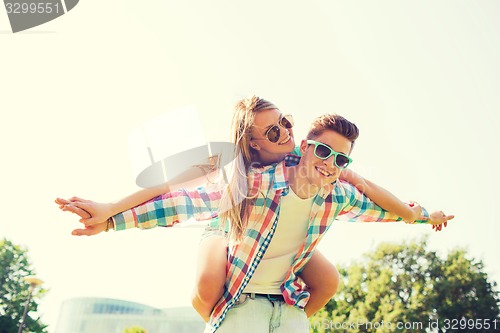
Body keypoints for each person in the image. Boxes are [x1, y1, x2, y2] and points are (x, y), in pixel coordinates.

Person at [58, 107, 453, 333]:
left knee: (328, 280)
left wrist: (421, 217)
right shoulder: (247, 179)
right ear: (302, 147)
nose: (330, 164)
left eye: (341, 159)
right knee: (208, 283)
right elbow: (176, 199)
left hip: (283, 286)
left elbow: (381, 207)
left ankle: (279, 308)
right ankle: (222, 314)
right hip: (228, 234)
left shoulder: (339, 191)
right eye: (322, 152)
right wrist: (110, 217)